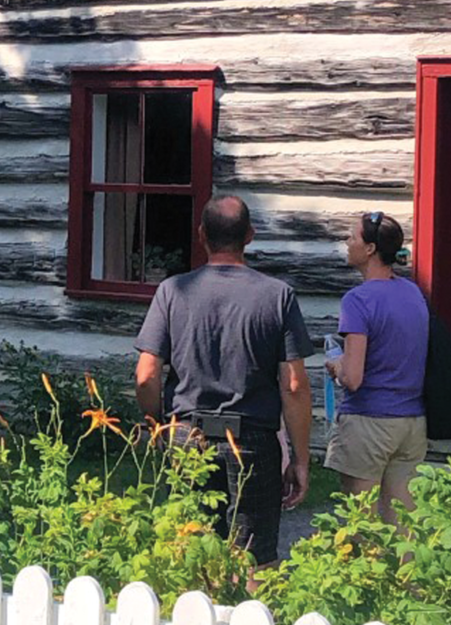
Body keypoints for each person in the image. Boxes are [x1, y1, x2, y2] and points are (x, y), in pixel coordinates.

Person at [134, 195, 314, 581]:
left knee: (189, 544)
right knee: (255, 558)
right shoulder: (277, 296)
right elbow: (295, 385)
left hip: (185, 434)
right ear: (249, 236)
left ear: (201, 236)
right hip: (252, 438)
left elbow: (146, 374)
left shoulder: (171, 292)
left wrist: (156, 425)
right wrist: (300, 458)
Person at [324, 212, 427, 525]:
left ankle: (361, 576)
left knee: (359, 525)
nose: (347, 243)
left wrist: (335, 364)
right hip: (411, 423)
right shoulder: (412, 291)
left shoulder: (358, 300)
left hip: (369, 421)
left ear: (369, 249)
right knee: (401, 525)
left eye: (353, 237)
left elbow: (353, 378)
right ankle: (407, 576)